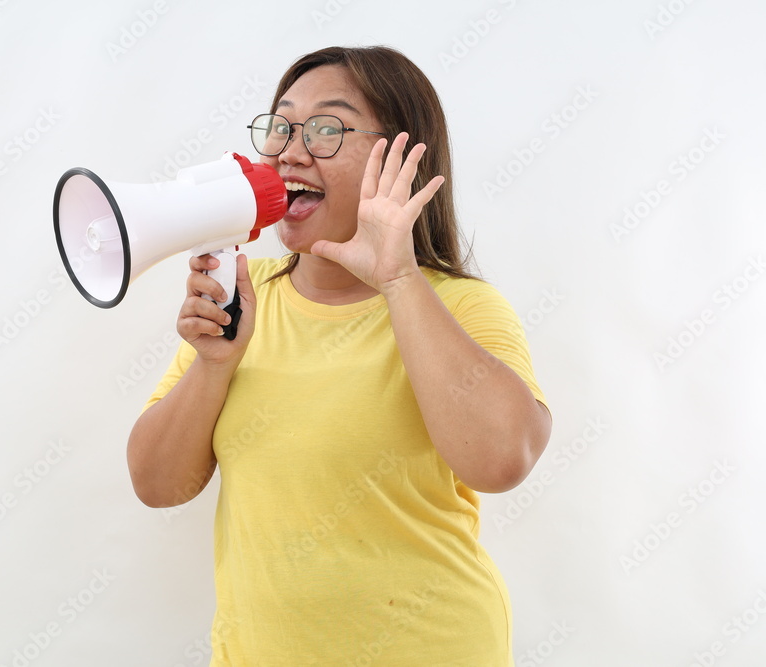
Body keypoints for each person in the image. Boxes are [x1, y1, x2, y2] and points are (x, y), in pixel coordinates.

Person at [127, 45, 552, 666]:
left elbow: (502, 460)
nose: (291, 151)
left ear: (403, 156)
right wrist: (214, 365)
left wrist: (400, 280)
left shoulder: (458, 306)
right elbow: (157, 485)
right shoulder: (245, 297)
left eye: (327, 128)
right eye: (281, 126)